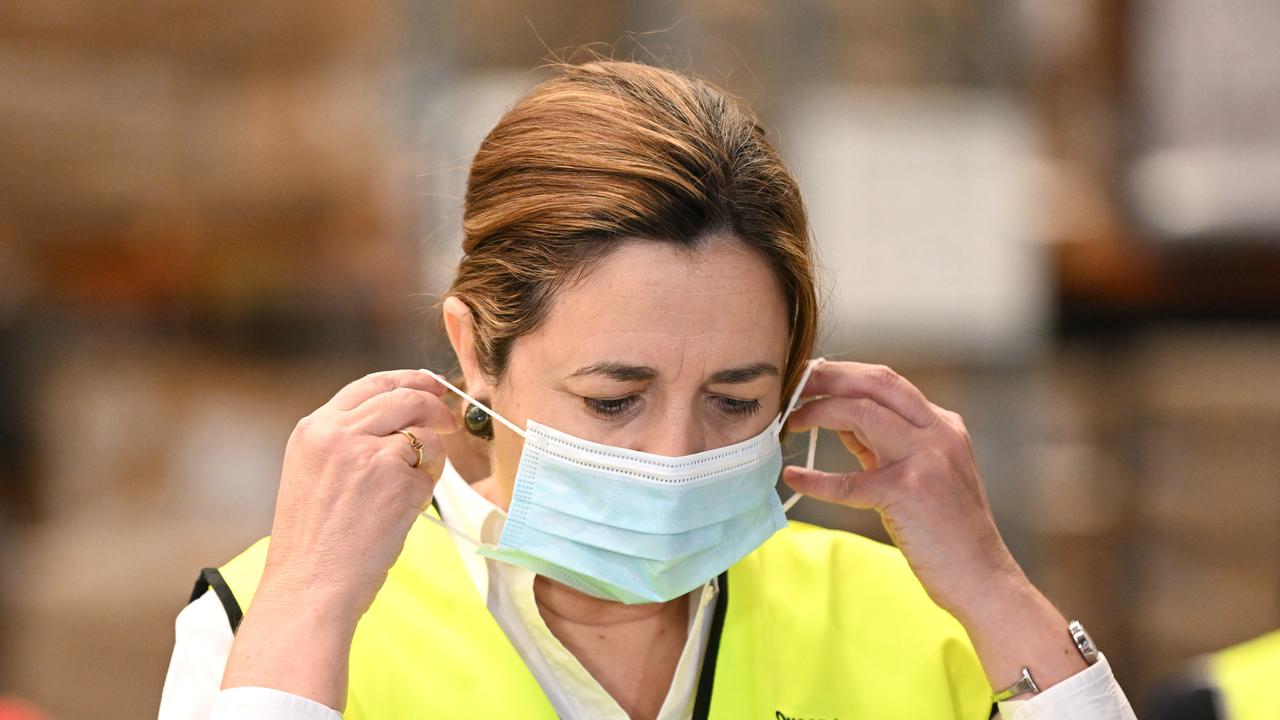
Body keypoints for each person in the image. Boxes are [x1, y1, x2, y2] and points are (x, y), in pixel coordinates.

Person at [159, 59, 1137, 719]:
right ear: (474, 352)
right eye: (612, 400)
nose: (675, 457)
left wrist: (993, 589)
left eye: (735, 398)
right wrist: (310, 612)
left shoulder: (916, 626)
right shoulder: (270, 622)